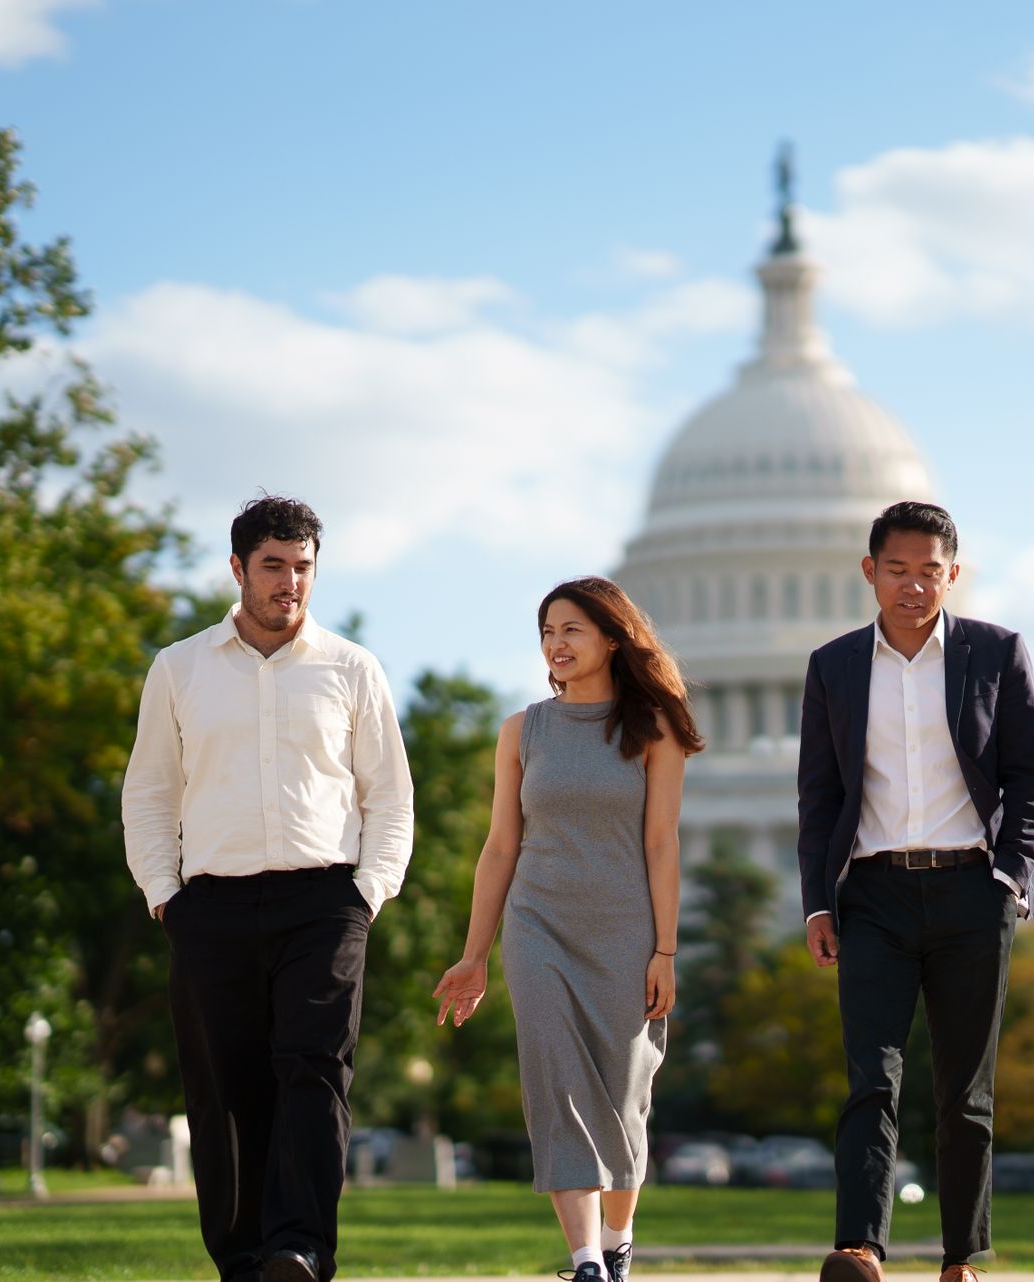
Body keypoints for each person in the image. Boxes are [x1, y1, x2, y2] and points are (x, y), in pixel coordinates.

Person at [122, 494, 415, 1282]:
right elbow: (149, 792)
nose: (290, 583)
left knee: (314, 1072)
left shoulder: (353, 669)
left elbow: (389, 796)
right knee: (224, 1089)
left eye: (304, 568)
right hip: (207, 907)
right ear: (239, 569)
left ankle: (301, 1249)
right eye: (275, 567)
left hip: (323, 903)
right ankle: (242, 1259)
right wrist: (165, 896)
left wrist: (366, 896)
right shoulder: (178, 668)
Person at [798, 501, 1034, 1282]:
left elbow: (1027, 775)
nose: (913, 588)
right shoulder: (834, 665)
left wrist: (1009, 874)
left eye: (929, 573)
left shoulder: (995, 652)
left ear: (954, 574)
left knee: (964, 1088)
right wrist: (819, 901)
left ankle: (960, 1257)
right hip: (872, 895)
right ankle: (861, 1246)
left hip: (972, 893)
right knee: (871, 1078)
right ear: (871, 571)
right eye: (897, 571)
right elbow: (821, 797)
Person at [433, 576, 701, 1282]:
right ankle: (584, 1262)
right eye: (547, 631)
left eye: (571, 629)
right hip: (537, 926)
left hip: (627, 933)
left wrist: (665, 950)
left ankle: (616, 1242)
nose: (555, 643)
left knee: (622, 1094)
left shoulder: (656, 729)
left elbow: (662, 846)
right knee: (556, 1086)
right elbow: (499, 847)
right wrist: (474, 956)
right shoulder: (523, 730)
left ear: (612, 638)